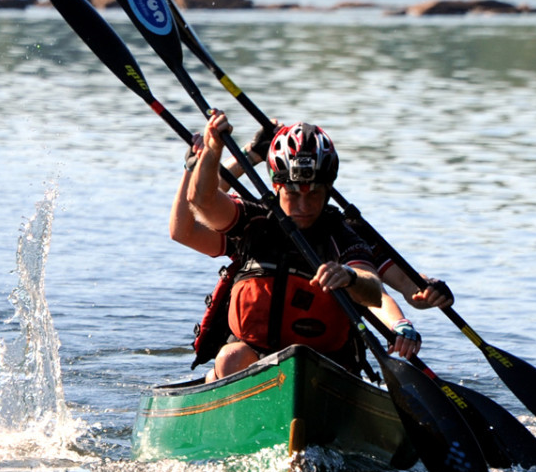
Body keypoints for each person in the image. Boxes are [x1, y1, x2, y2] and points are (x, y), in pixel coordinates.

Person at [181, 111, 454, 381]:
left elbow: (374, 291)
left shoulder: (344, 234)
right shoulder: (255, 223)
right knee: (231, 357)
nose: (303, 206)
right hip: (253, 360)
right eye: (292, 194)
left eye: (314, 194)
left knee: (310, 366)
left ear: (328, 188)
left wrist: (354, 281)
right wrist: (214, 149)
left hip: (324, 367)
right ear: (276, 187)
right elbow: (201, 201)